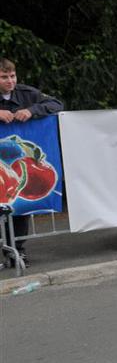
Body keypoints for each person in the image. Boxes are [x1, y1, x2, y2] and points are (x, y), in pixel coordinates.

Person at [0, 58, 64, 267]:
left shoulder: (26, 93)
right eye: (4, 77)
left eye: (12, 76)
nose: (10, 81)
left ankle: (17, 250)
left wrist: (32, 111)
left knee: (18, 208)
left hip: (18, 161)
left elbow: (56, 104)